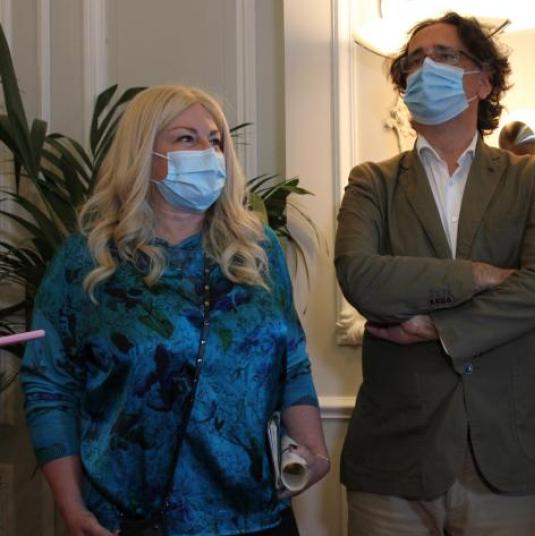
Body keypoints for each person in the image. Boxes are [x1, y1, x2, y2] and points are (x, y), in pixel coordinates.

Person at [21, 85, 329, 536]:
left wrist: (313, 449)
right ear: (143, 152)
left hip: (256, 513)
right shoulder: (87, 260)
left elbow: (292, 360)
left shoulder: (257, 250)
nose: (208, 152)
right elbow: (49, 385)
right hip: (135, 518)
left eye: (215, 141)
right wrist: (71, 507)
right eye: (187, 138)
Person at [334, 12, 535, 536]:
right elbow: (361, 277)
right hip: (394, 454)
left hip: (506, 454)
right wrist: (480, 275)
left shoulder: (530, 178)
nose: (425, 68)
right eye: (414, 61)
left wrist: (439, 328)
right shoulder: (371, 182)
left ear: (484, 81)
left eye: (443, 56)